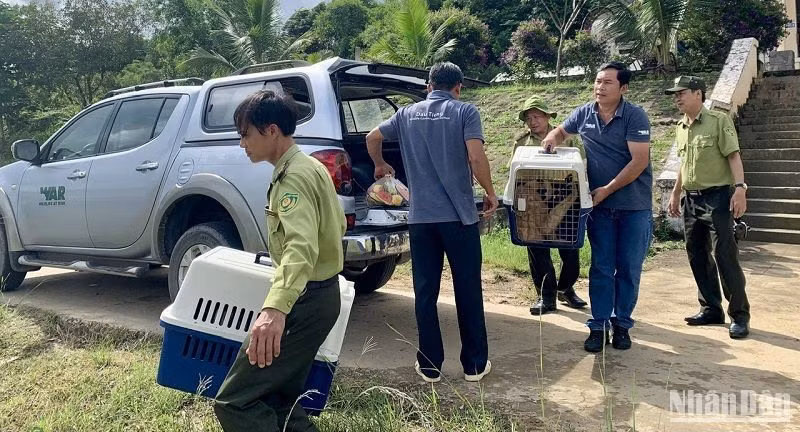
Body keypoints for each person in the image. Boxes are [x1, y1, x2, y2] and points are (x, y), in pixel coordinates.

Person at [213, 90, 346, 432]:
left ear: (271, 130)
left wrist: (275, 310)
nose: (242, 144)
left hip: (303, 300)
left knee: (235, 402)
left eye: (246, 134)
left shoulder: (294, 177)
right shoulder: (311, 165)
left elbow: (300, 247)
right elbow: (337, 225)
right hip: (318, 296)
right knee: (281, 401)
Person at [365, 62, 498, 383]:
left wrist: (380, 164)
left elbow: (372, 137)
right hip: (459, 218)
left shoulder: (407, 115)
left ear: (428, 86)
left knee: (425, 292)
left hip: (421, 219)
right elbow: (477, 158)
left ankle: (429, 366)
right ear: (458, 87)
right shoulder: (466, 112)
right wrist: (490, 193)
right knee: (468, 289)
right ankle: (475, 366)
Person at [541, 62, 653, 352]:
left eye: (607, 83)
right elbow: (560, 132)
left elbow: (639, 162)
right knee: (601, 267)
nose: (599, 87)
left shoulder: (634, 116)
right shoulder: (584, 112)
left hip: (633, 207)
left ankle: (622, 325)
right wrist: (551, 141)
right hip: (599, 209)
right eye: (597, 81)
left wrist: (607, 189)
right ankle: (598, 325)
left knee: (628, 268)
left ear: (623, 88)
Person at [665, 76, 750, 339]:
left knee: (725, 255)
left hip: (718, 198)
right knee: (696, 254)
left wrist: (740, 189)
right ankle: (711, 308)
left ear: (699, 94)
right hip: (692, 199)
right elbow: (683, 164)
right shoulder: (681, 127)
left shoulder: (718, 121)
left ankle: (740, 315)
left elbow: (733, 156)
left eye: (682, 93)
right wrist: (676, 193)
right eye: (675, 94)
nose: (677, 98)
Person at [511, 96, 588, 315]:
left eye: (537, 116)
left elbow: (582, 168)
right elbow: (514, 172)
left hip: (565, 193)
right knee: (537, 249)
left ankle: (566, 288)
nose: (532, 121)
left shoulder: (568, 137)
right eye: (528, 117)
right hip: (533, 197)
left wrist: (581, 197)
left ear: (547, 116)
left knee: (570, 247)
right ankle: (545, 297)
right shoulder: (521, 141)